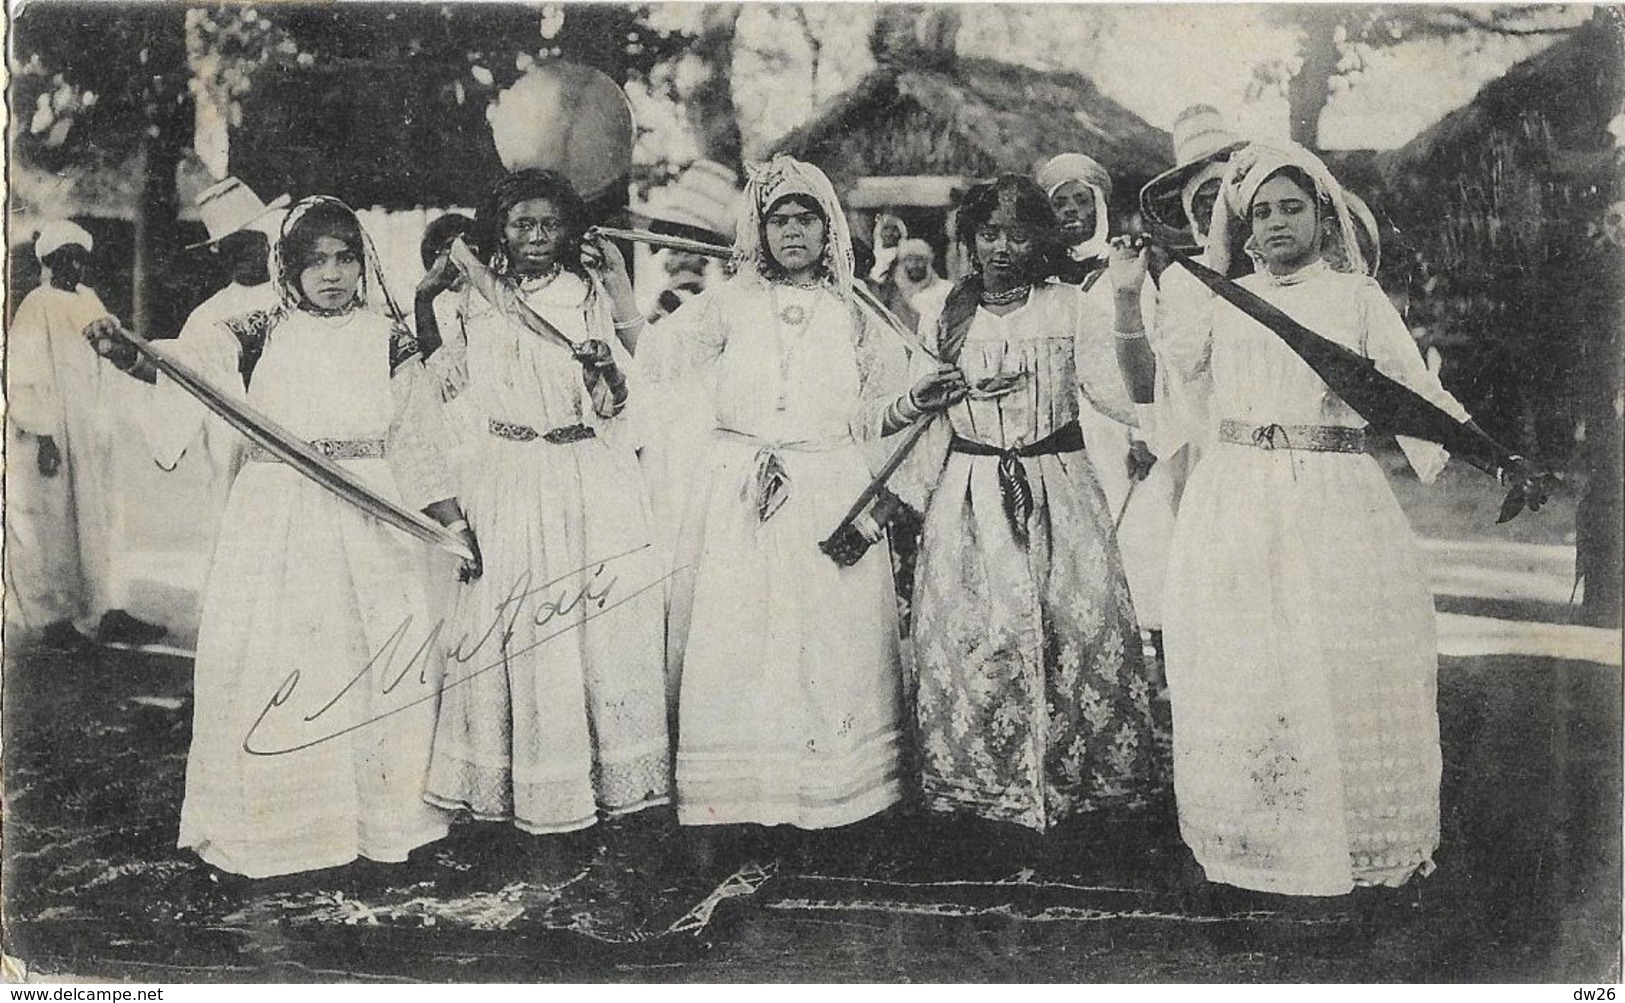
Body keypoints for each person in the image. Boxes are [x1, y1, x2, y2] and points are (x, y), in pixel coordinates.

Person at [1113, 141, 1468, 896]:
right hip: (1236, 497)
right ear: (1240, 225)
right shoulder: (1223, 296)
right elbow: (1168, 369)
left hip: (1333, 498)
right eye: (1261, 211)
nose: (1275, 223)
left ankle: (1347, 840)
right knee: (1249, 662)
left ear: (1321, 213)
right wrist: (1135, 290)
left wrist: (1485, 453)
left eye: (1290, 208)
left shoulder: (1354, 298)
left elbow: (1409, 389)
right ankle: (1256, 845)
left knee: (1335, 655)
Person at [87, 197, 468, 878]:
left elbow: (419, 442)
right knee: (284, 663)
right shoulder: (254, 329)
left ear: (362, 261)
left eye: (344, 257)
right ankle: (286, 828)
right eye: (313, 260)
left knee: (373, 661)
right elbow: (186, 373)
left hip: (368, 516)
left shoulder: (389, 338)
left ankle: (377, 823)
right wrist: (128, 355)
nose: (331, 273)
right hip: (277, 518)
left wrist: (452, 519)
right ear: (286, 268)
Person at [656, 155, 933, 837]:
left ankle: (834, 801)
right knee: (739, 637)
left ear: (828, 228)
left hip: (826, 491)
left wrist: (913, 401)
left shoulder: (856, 310)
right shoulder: (727, 303)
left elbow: (873, 416)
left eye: (805, 217)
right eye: (778, 218)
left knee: (826, 643)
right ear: (758, 227)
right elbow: (658, 361)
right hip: (740, 495)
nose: (792, 231)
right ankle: (736, 799)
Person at [892, 175, 1162, 834]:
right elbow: (924, 421)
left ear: (1041, 237)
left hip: (1058, 489)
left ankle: (1082, 790)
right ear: (971, 240)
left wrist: (1128, 309)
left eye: (1017, 232)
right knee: (976, 634)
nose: (1002, 247)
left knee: (1072, 626)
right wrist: (909, 501)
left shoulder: (1070, 306)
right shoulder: (946, 314)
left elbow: (1123, 397)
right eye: (988, 233)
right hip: (969, 495)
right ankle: (978, 792)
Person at [415, 169, 671, 843]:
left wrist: (602, 374)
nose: (534, 237)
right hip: (505, 478)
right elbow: (445, 386)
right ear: (499, 228)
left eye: (548, 224)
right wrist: (424, 301)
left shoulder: (586, 296)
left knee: (587, 637)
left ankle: (592, 793)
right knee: (514, 633)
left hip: (582, 476)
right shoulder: (475, 299)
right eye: (521, 224)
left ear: (568, 231)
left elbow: (623, 400)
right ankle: (513, 791)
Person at [5, 220, 166, 649]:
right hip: (55, 431)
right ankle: (55, 620)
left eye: (80, 258)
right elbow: (23, 376)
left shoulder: (89, 300)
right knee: (54, 523)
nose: (74, 266)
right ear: (50, 261)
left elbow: (107, 360)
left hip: (92, 431)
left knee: (102, 519)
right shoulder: (36, 305)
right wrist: (43, 435)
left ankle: (107, 608)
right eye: (65, 258)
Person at [1039, 152, 1175, 656]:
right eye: (1060, 203)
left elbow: (1151, 348)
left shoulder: (1125, 269)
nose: (1072, 211)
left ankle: (1145, 654)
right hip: (1058, 431)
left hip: (1117, 431)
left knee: (1134, 536)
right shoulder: (1041, 279)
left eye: (1082, 200)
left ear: (1100, 206)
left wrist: (1144, 432)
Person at [137, 178, 288, 525]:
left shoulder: (295, 298)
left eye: (250, 243)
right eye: (232, 248)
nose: (244, 256)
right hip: (234, 446)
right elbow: (180, 376)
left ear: (267, 241)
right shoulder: (208, 316)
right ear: (221, 254)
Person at [876, 237, 951, 337]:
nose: (915, 264)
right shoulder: (892, 293)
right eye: (910, 260)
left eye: (920, 259)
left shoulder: (944, 289)